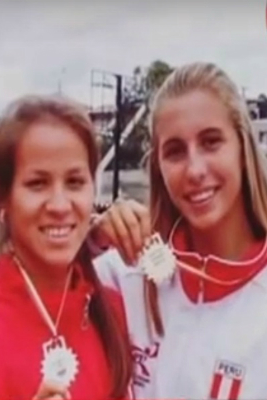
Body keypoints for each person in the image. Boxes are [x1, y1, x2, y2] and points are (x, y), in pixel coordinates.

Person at [0, 96, 133, 400]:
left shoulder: (111, 309)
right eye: (37, 184)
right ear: (4, 199)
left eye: (74, 182)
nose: (60, 205)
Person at [92, 62, 267, 399]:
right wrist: (90, 238)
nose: (195, 170)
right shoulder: (127, 272)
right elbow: (27, 294)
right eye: (174, 152)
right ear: (158, 166)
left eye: (211, 142)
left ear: (243, 148)